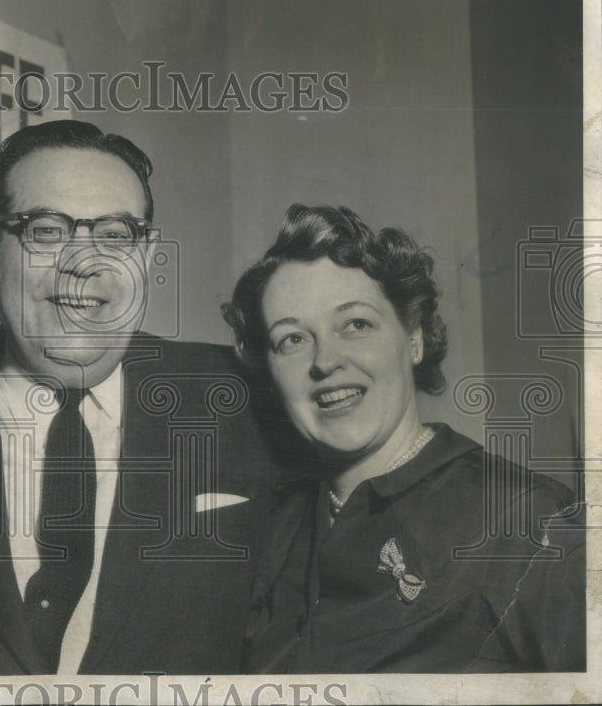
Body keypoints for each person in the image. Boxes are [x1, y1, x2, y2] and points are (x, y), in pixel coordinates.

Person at [0, 120, 275, 675]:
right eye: (46, 230)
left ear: (146, 256)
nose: (84, 263)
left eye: (117, 235)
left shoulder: (240, 397)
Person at [222, 204, 586, 673]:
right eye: (292, 339)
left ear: (413, 338)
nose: (325, 360)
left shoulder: (526, 519)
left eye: (356, 324)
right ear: (270, 372)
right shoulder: (276, 527)